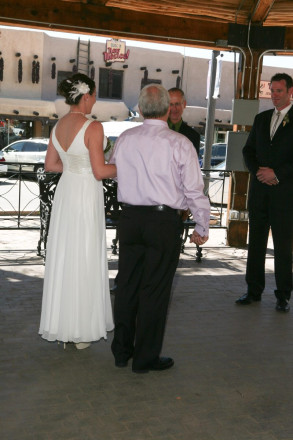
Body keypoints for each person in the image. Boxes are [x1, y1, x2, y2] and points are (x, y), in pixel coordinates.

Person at [109, 84, 210, 373]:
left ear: (140, 109)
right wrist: (202, 224)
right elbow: (193, 189)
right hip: (163, 222)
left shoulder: (126, 138)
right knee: (155, 289)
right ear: (168, 109)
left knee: (127, 284)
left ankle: (121, 351)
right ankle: (145, 359)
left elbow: (116, 174)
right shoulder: (179, 143)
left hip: (129, 219)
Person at [39, 73, 116, 348]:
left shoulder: (58, 125)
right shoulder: (93, 127)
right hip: (85, 194)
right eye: (94, 95)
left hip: (67, 191)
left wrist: (74, 168)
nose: (95, 100)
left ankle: (64, 324)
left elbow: (50, 165)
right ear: (85, 96)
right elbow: (100, 171)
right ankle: (81, 330)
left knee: (66, 254)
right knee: (84, 255)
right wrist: (126, 166)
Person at [236, 72, 293, 312]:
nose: (274, 96)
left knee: (282, 247)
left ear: (290, 92)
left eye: (279, 91)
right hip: (259, 193)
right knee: (256, 244)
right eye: (272, 91)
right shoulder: (261, 119)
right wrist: (258, 171)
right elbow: (248, 151)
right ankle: (253, 290)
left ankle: (282, 296)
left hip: (284, 195)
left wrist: (277, 173)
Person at [168, 87, 200, 155]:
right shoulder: (157, 131)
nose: (174, 108)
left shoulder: (194, 136)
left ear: (184, 104)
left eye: (177, 104)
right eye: (171, 104)